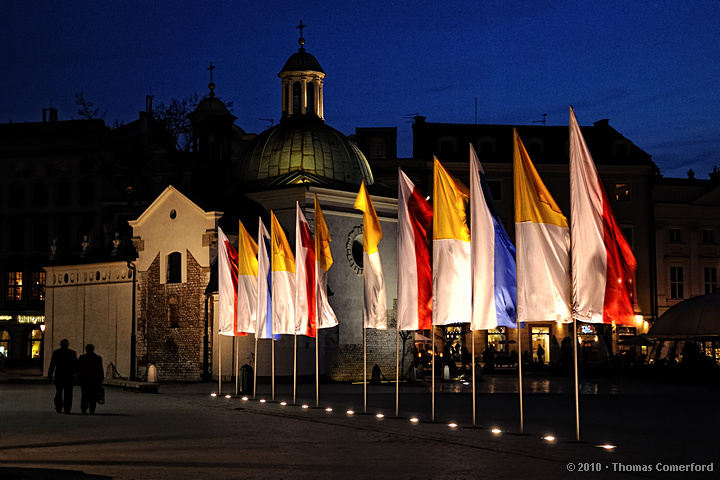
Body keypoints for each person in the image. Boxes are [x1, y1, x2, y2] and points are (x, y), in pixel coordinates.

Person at [48, 339, 77, 414]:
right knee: (68, 393)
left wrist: (50, 375)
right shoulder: (72, 353)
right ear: (68, 344)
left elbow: (52, 364)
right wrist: (75, 374)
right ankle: (67, 408)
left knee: (59, 392)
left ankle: (59, 407)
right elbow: (75, 365)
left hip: (59, 375)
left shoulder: (56, 352)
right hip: (69, 375)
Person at [77, 344, 104, 414]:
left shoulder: (82, 358)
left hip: (84, 379)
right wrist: (101, 379)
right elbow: (100, 370)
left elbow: (78, 369)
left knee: (84, 394)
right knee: (93, 394)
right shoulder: (98, 358)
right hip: (94, 379)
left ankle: (84, 407)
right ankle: (92, 408)